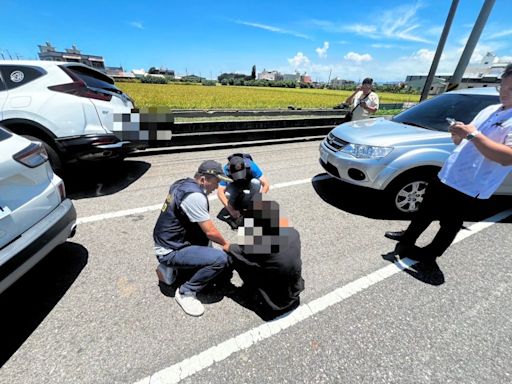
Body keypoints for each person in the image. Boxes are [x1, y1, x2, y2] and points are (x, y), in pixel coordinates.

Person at [385, 63, 512, 263]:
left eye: (511, 90)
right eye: (502, 88)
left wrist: (471, 135)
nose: (504, 94)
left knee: (450, 222)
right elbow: (464, 140)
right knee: (425, 208)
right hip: (449, 172)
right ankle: (408, 237)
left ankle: (430, 256)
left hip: (472, 183)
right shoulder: (491, 109)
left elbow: (507, 157)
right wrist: (458, 133)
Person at [153, 160, 233, 316]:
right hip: (170, 249)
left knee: (208, 244)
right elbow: (210, 231)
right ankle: (185, 292)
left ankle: (169, 267)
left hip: (166, 240)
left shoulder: (182, 184)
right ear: (203, 180)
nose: (217, 187)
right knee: (220, 259)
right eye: (216, 182)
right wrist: (226, 244)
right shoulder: (195, 196)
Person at [227, 198, 305, 320]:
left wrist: (242, 224)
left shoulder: (259, 244)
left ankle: (233, 288)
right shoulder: (293, 232)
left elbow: (231, 248)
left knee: (232, 256)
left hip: (273, 305)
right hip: (293, 292)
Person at [217, 153, 270, 229]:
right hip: (235, 185)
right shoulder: (225, 170)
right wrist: (231, 210)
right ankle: (237, 202)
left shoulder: (251, 166)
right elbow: (220, 192)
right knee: (227, 194)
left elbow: (266, 185)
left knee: (256, 183)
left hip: (248, 183)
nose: (239, 176)